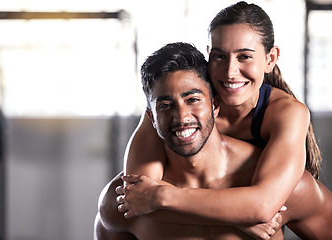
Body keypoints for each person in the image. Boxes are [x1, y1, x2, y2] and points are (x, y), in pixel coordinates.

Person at [95, 42, 332, 240]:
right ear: (151, 117)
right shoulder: (126, 203)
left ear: (215, 105)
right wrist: (239, 218)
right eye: (165, 106)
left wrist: (247, 212)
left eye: (193, 99)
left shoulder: (284, 189)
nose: (182, 117)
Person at [118, 1, 322, 224]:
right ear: (208, 56)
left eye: (244, 56)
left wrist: (163, 195)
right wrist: (239, 220)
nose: (230, 72)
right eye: (219, 56)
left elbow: (263, 206)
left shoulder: (286, 113)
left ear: (270, 59)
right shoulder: (183, 104)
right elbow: (138, 191)